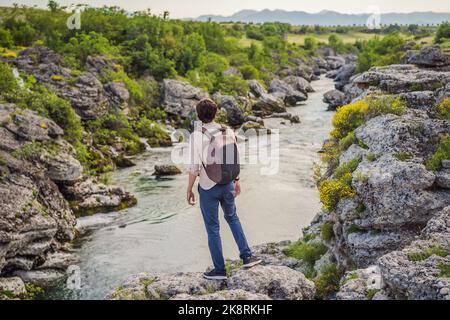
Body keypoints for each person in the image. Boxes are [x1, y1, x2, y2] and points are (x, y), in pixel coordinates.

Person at [186, 99, 262, 280]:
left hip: (208, 187)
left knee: (213, 229)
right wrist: (237, 180)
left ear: (198, 115)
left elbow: (193, 168)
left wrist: (189, 189)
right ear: (216, 112)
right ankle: (247, 256)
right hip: (228, 182)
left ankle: (219, 270)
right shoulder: (227, 130)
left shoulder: (196, 136)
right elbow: (233, 157)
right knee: (233, 217)